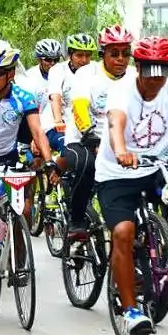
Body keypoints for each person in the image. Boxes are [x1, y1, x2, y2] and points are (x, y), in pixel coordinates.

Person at [96, 36, 168, 335]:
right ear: (139, 67)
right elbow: (116, 125)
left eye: (162, 70)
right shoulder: (121, 92)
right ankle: (132, 311)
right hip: (117, 174)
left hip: (159, 171)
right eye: (149, 70)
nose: (156, 78)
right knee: (123, 232)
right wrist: (121, 150)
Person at [0, 41, 58, 268]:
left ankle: (19, 256)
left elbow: (37, 131)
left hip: (9, 157)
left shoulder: (24, 98)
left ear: (11, 74)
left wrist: (49, 161)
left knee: (23, 209)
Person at [63, 25, 137, 239]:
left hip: (119, 140)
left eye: (125, 54)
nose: (121, 59)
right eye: (114, 54)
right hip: (84, 138)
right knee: (86, 165)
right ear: (102, 54)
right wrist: (88, 132)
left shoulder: (134, 75)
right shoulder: (88, 74)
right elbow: (79, 106)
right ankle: (76, 220)